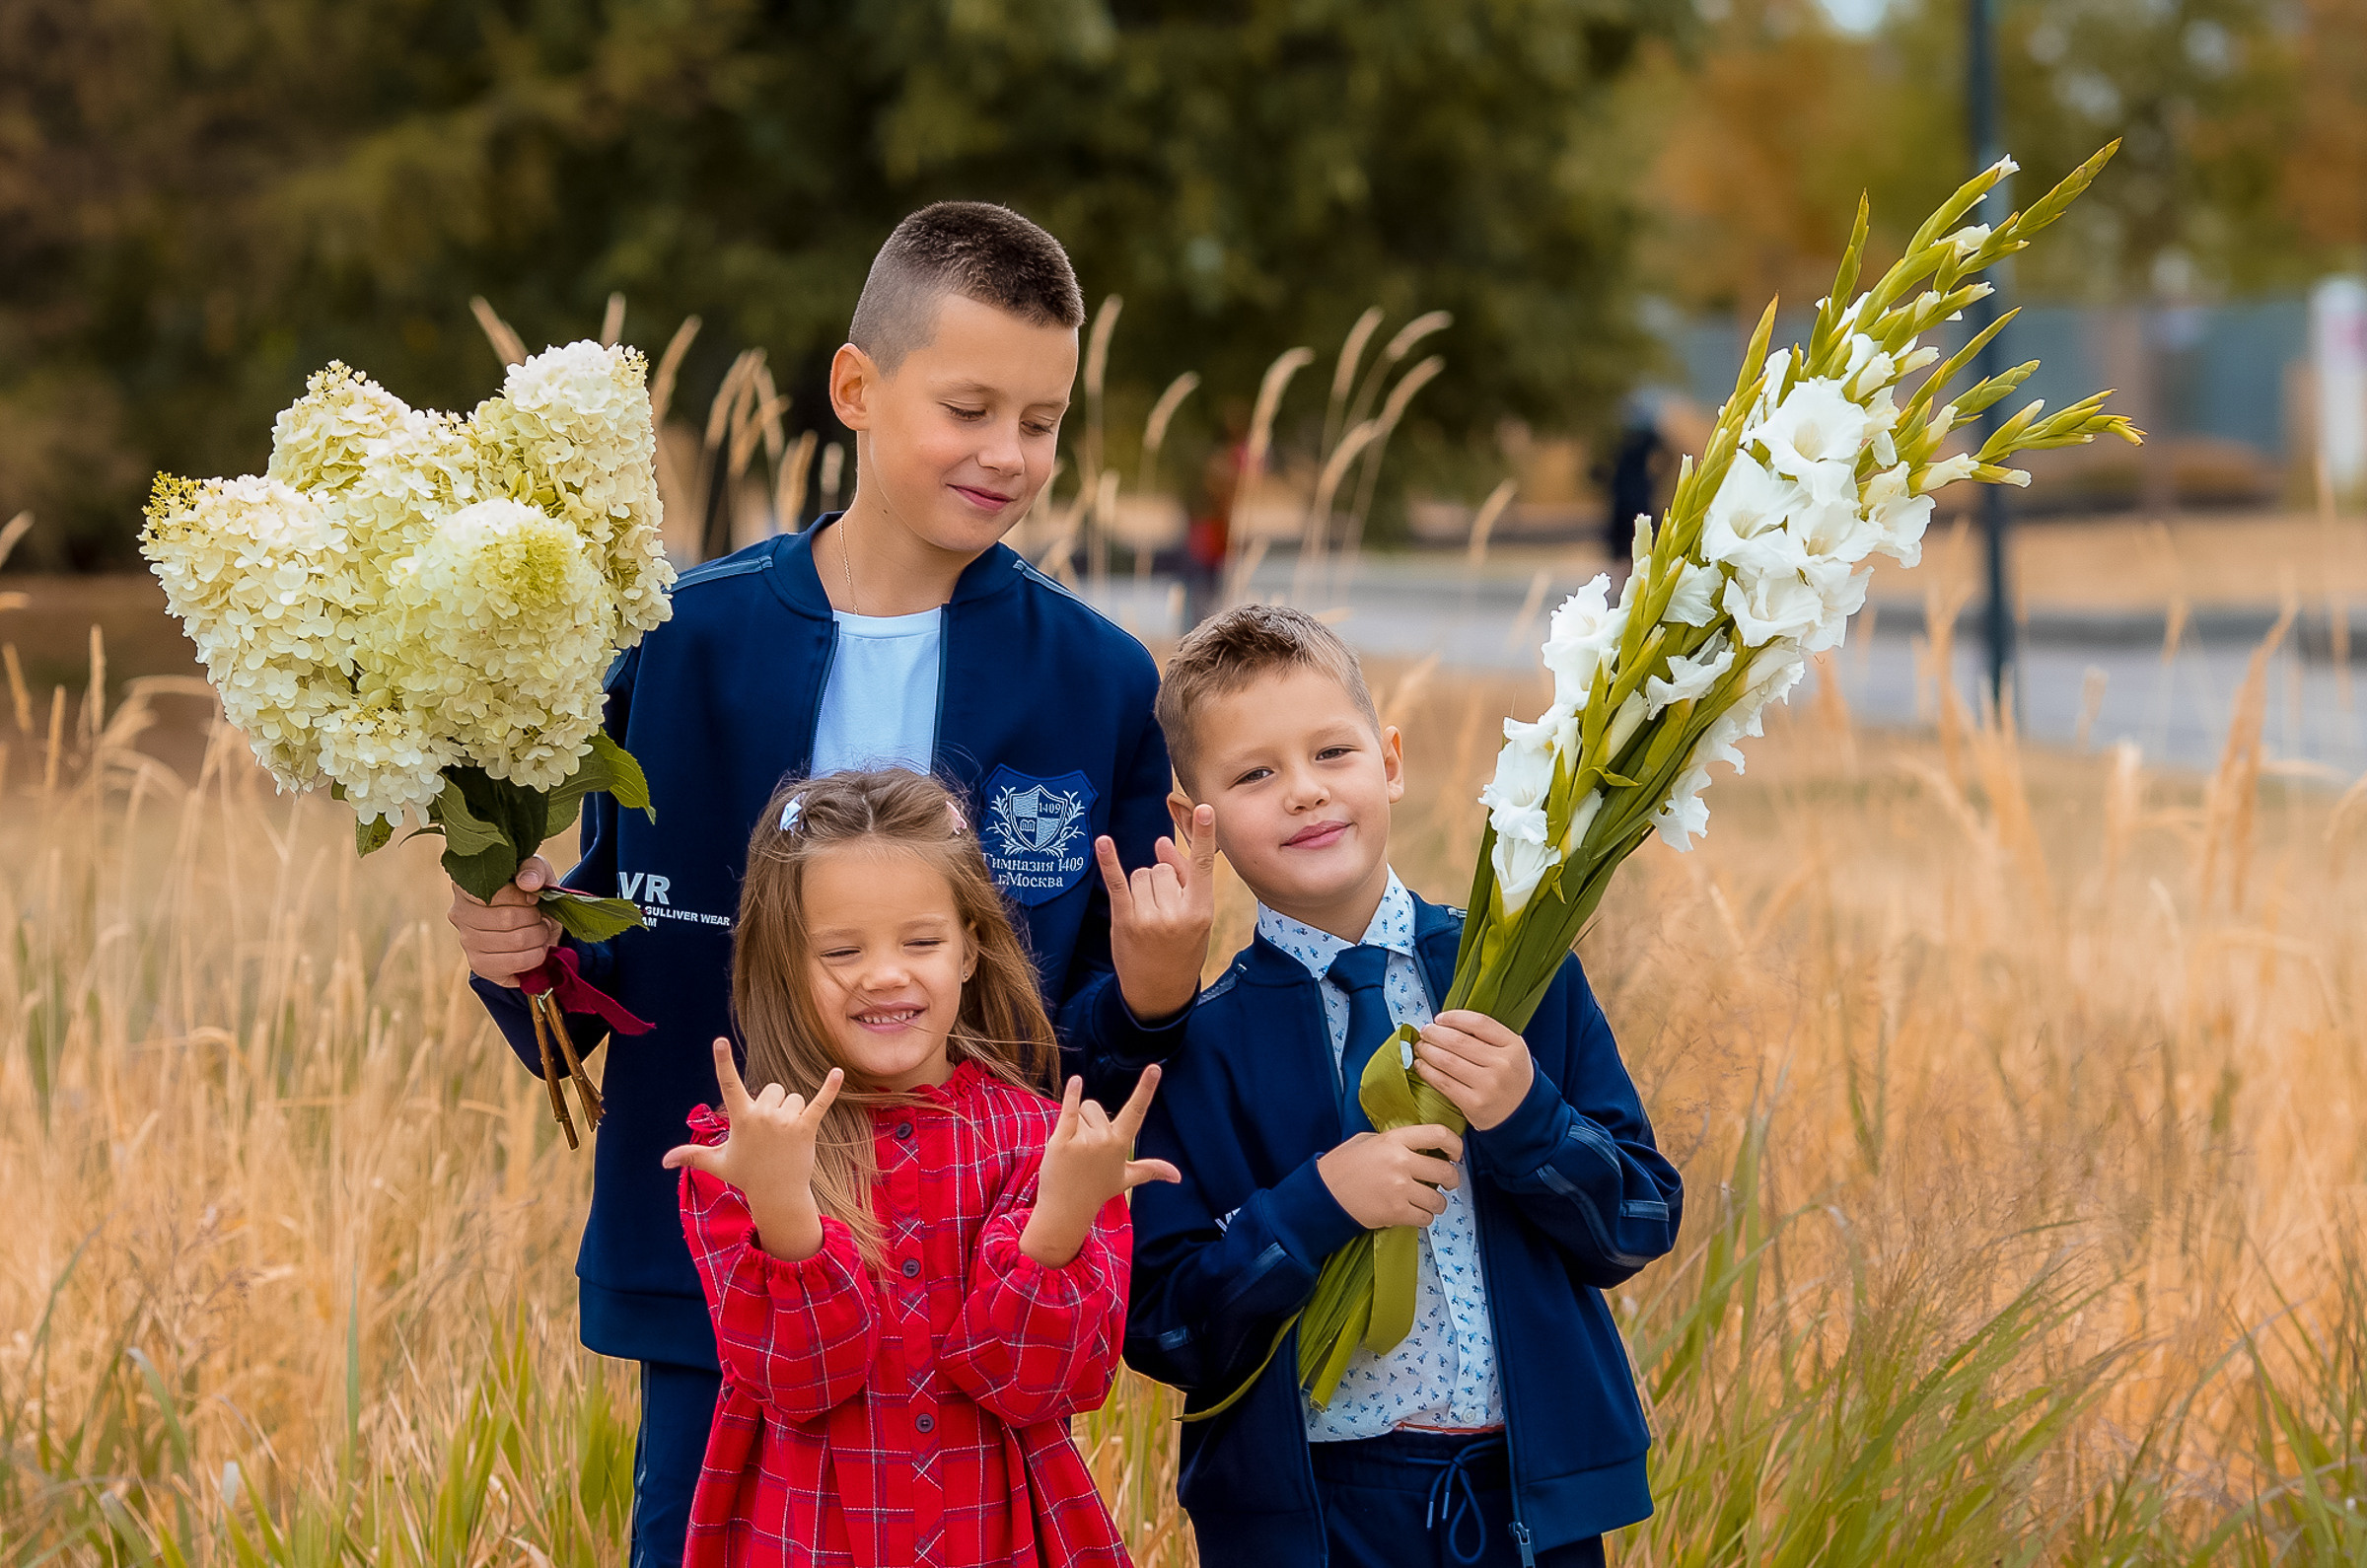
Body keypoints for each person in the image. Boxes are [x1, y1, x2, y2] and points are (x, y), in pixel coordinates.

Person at [444, 202, 1215, 1568]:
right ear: (857, 388)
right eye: (968, 408)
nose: (1007, 453)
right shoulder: (678, 642)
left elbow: (1093, 1040)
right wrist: (522, 952)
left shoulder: (1096, 681)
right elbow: (619, 964)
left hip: (983, 1313)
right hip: (734, 1286)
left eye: (1041, 421)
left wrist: (1155, 994)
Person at [1108, 606, 1684, 1568]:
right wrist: (1319, 1203)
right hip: (1318, 1520)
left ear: (1390, 761)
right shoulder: (1198, 1047)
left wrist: (1529, 1119)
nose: (1305, 792)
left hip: (1527, 1508)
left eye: (1332, 753)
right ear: (1192, 818)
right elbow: (1166, 1329)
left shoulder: (1519, 979)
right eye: (1254, 775)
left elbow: (1639, 1221)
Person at [665, 769, 1175, 1567]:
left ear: (969, 948)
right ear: (786, 964)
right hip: (811, 1540)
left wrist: (1061, 1219)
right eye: (842, 950)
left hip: (1000, 1539)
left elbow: (1036, 1386)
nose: (885, 975)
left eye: (922, 941)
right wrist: (782, 1202)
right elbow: (801, 1381)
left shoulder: (1050, 1146)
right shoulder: (743, 1153)